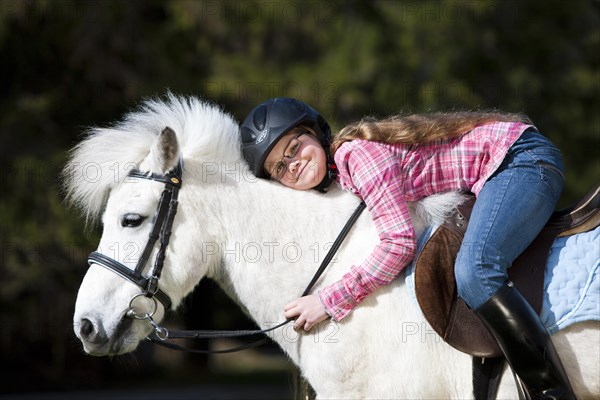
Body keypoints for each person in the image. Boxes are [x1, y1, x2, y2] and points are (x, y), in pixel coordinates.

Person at [240, 97, 575, 399]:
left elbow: (398, 244)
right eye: (280, 168)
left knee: (475, 271)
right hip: (498, 171)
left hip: (518, 160)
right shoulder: (342, 178)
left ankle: (550, 390)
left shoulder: (355, 156)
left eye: (294, 147)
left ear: (315, 133)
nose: (293, 164)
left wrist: (328, 301)